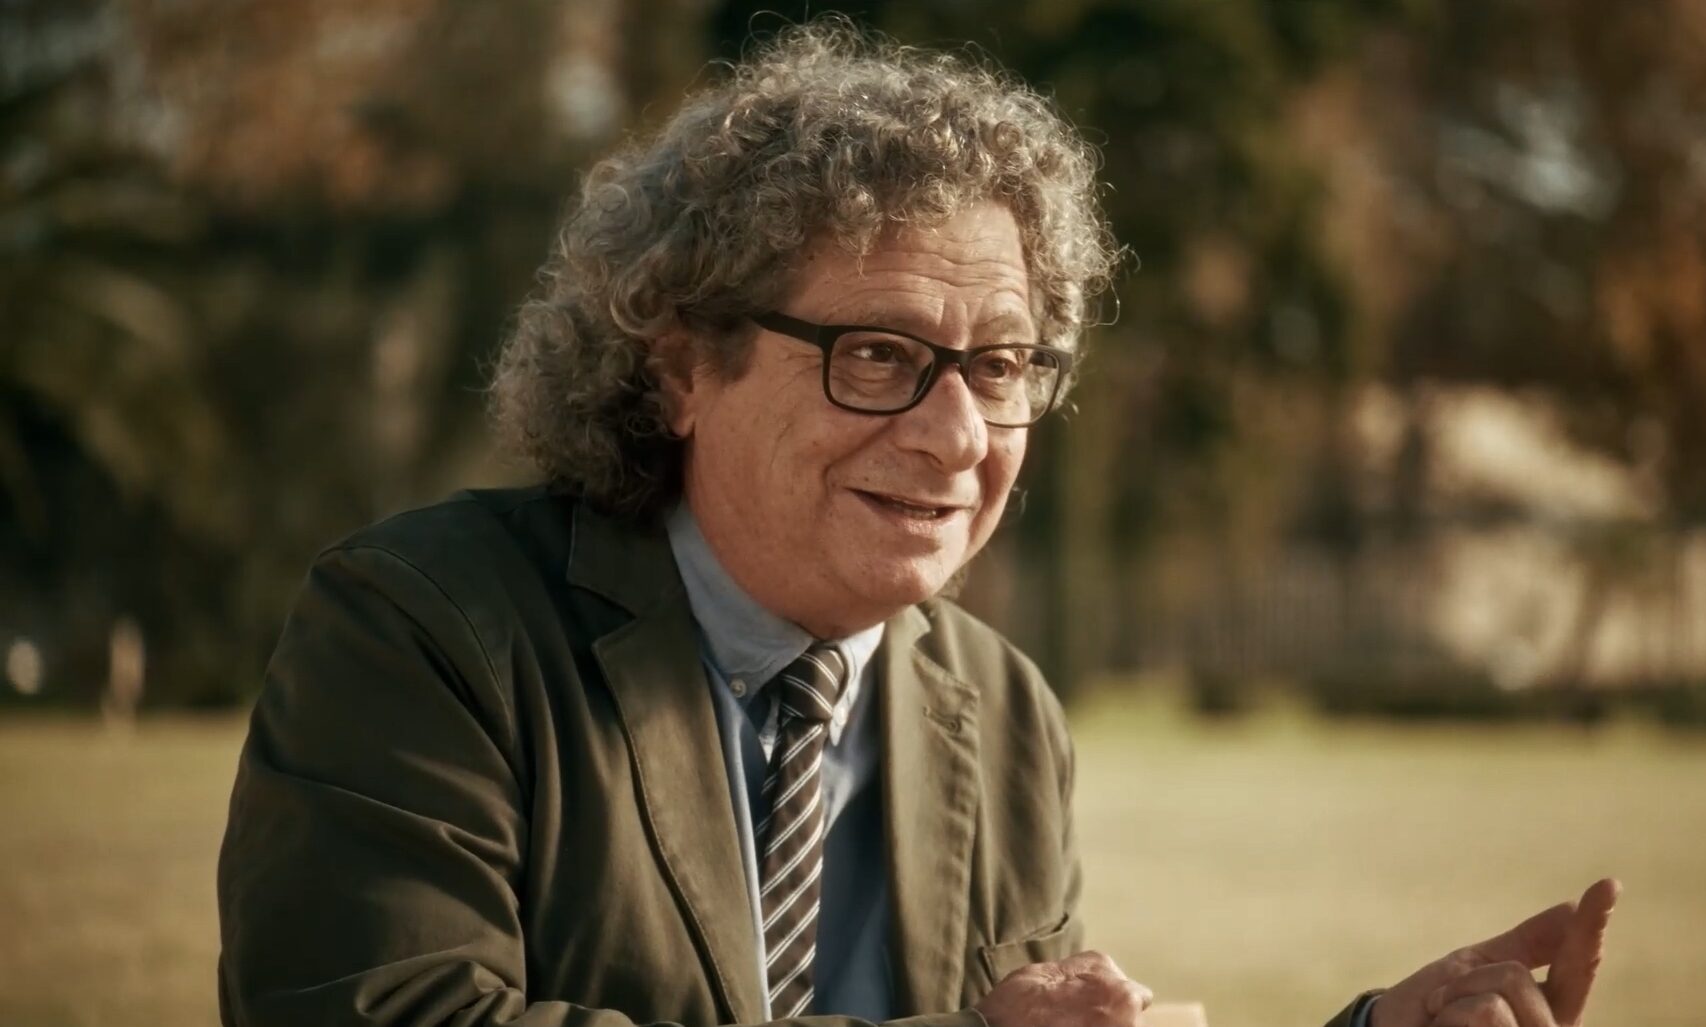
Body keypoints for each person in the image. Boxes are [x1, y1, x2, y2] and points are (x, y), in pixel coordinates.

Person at [215, 21, 1619, 1027]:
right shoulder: (422, 629)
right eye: (877, 355)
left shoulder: (1002, 714)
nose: (958, 436)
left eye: (1001, 367)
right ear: (682, 364)